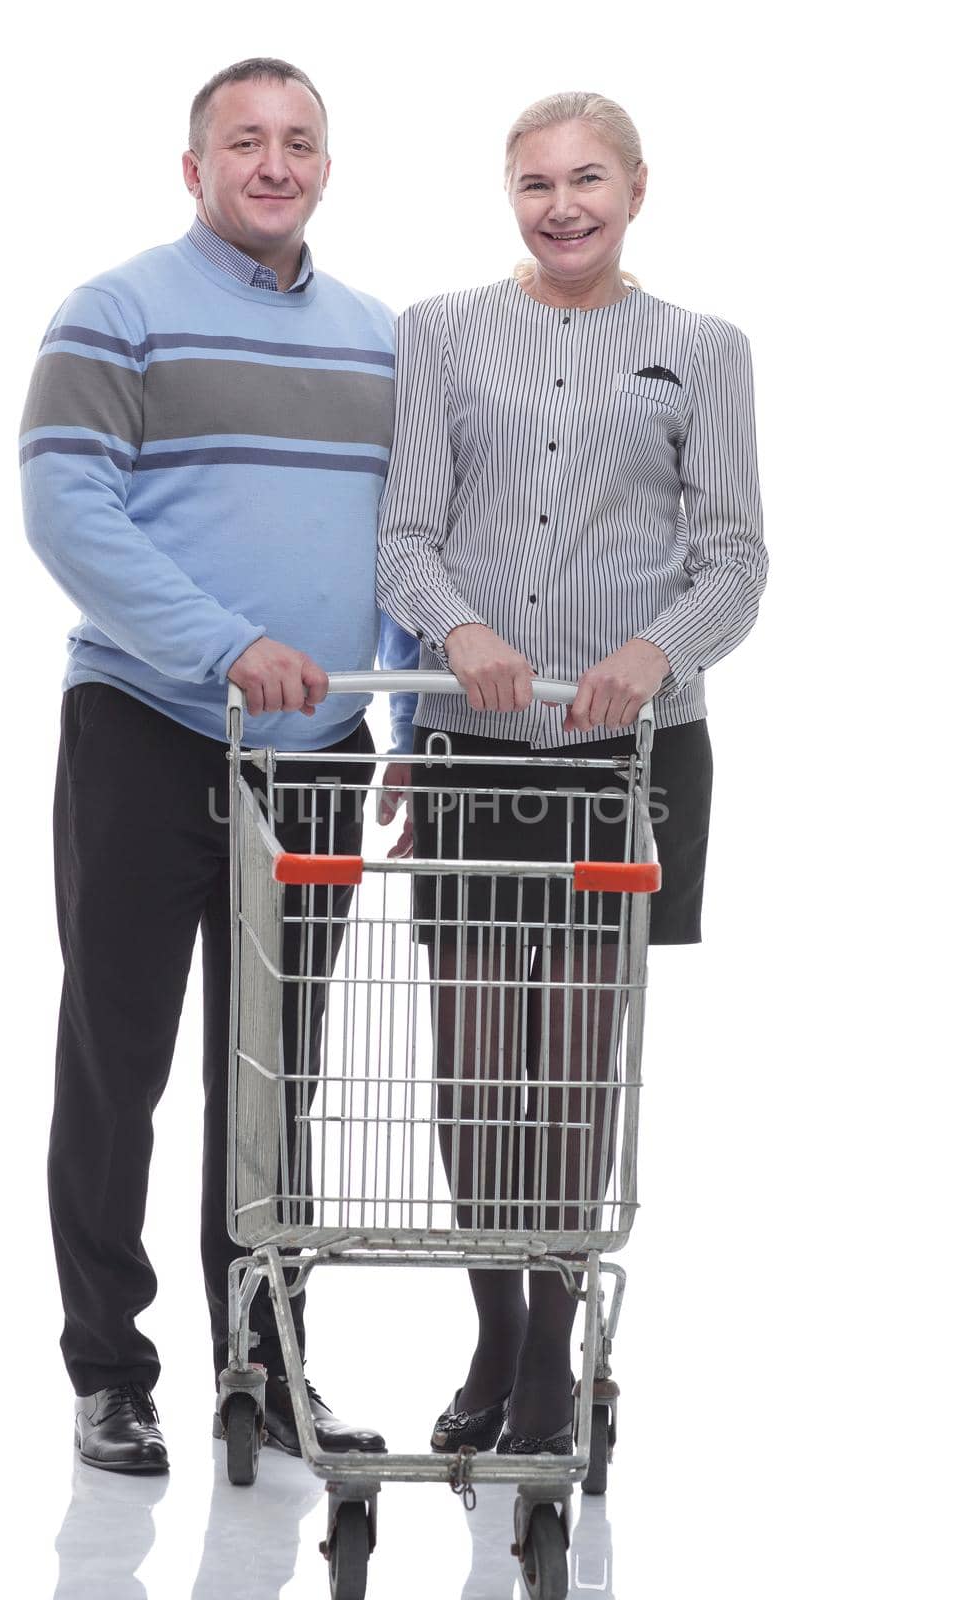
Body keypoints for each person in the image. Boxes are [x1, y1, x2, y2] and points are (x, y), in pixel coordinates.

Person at [21, 56, 417, 1474]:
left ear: (325, 165)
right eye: (243, 141)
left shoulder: (381, 340)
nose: (273, 161)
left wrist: (410, 737)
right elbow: (66, 508)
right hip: (145, 727)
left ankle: (267, 1365)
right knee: (118, 1062)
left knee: (285, 1081)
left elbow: (408, 552)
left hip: (318, 753)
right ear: (193, 169)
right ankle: (111, 1374)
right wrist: (224, 643)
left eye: (299, 140)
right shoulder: (115, 311)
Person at [376, 91, 767, 1454]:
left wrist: (653, 652)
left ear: (638, 189)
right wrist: (464, 632)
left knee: (578, 1067)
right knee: (477, 1070)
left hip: (627, 760)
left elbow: (736, 559)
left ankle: (553, 1353)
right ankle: (499, 1332)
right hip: (477, 753)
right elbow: (406, 539)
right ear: (509, 196)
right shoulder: (440, 335)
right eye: (534, 183)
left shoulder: (703, 352)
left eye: (587, 179)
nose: (562, 206)